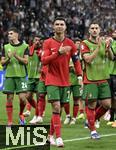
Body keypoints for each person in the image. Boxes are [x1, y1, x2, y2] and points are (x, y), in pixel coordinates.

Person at [41, 17, 82, 147]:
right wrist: (58, 52)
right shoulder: (47, 43)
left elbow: (76, 61)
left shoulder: (70, 43)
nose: (59, 26)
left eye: (61, 24)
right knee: (57, 107)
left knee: (60, 110)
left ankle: (50, 136)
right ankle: (59, 137)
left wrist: (80, 76)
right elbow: (44, 60)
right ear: (53, 27)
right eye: (57, 24)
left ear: (65, 27)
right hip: (52, 79)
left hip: (65, 81)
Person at [80, 22, 113, 139]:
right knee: (91, 105)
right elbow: (88, 59)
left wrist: (108, 49)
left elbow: (111, 58)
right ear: (89, 31)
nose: (94, 30)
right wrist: (99, 47)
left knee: (107, 105)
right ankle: (93, 131)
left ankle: (91, 121)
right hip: (90, 79)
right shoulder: (84, 44)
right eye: (92, 28)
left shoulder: (104, 43)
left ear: (99, 30)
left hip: (103, 78)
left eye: (96, 28)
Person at [1, 27, 29, 125]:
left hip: (21, 76)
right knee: (9, 98)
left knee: (22, 98)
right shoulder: (5, 47)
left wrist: (16, 56)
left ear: (17, 35)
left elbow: (26, 61)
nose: (9, 35)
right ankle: (10, 121)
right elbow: (2, 62)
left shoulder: (25, 46)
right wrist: (9, 58)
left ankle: (21, 113)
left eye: (11, 33)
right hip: (9, 76)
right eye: (8, 34)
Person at [108, 30, 116, 127]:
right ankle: (111, 117)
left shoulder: (111, 44)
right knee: (111, 98)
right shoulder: (111, 42)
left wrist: (109, 48)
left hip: (114, 73)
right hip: (109, 73)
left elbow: (113, 57)